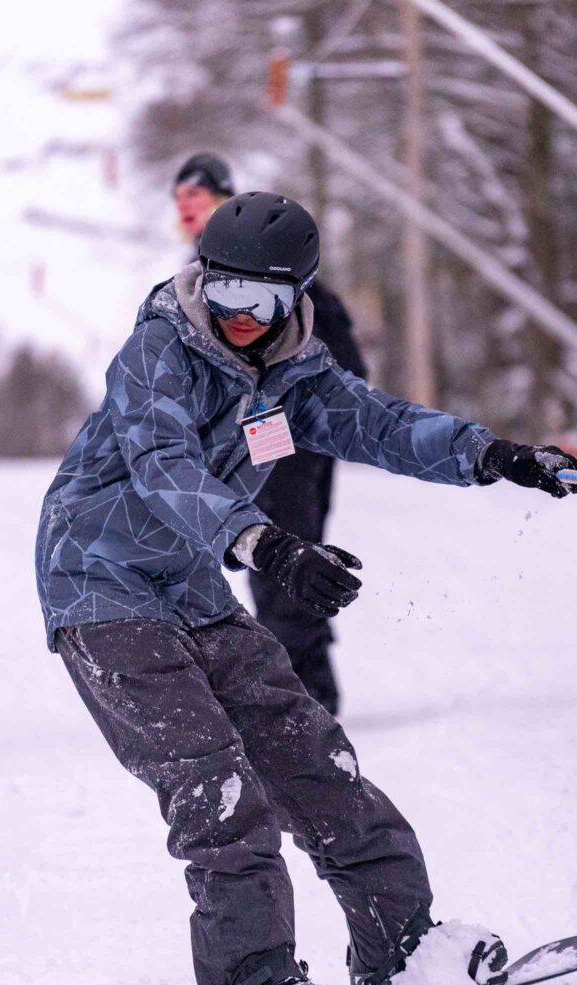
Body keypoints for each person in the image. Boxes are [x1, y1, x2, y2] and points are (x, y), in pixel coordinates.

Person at [35, 192, 577, 985]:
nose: (240, 314)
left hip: (189, 583)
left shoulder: (296, 371)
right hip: (99, 581)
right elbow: (163, 465)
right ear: (201, 279)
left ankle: (403, 954)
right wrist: (267, 544)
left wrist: (489, 455)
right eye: (224, 291)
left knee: (314, 759)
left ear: (299, 297)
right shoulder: (158, 350)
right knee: (216, 786)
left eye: (263, 298)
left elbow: (377, 423)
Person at [173, 153, 367, 715]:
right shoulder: (194, 284)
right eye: (179, 198)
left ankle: (309, 698)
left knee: (287, 565)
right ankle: (302, 689)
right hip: (248, 450)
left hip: (290, 450)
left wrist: (285, 414)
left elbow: (347, 376)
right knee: (266, 565)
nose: (187, 207)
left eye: (199, 196)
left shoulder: (282, 283)